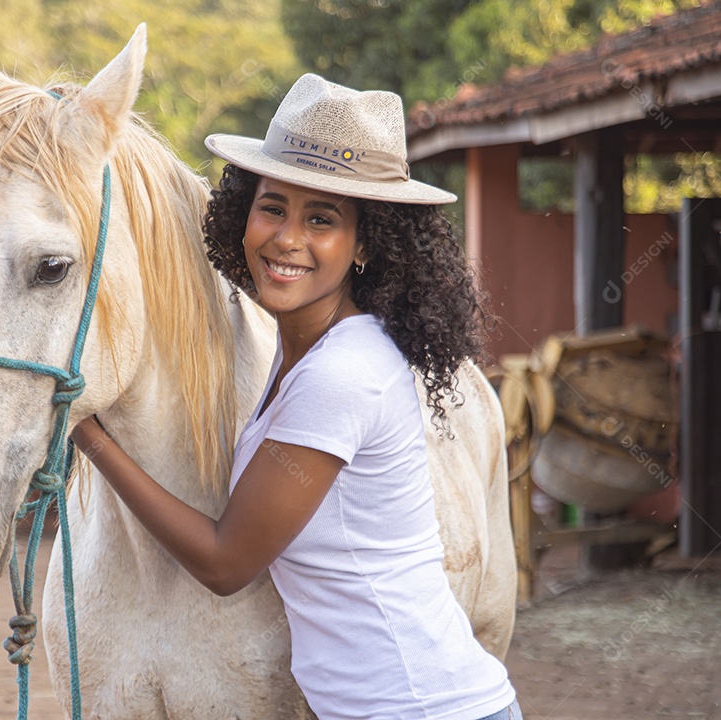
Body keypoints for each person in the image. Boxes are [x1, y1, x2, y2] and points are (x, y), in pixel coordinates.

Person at [70, 73, 520, 720]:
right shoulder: (305, 348)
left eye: (322, 220)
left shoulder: (343, 374)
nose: (287, 238)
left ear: (367, 242)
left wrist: (90, 433)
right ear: (242, 212)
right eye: (274, 206)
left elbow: (227, 563)